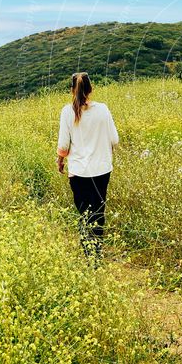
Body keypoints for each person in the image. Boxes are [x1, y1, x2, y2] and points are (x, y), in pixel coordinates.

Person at [56, 71, 119, 264]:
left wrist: (60, 161)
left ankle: (89, 254)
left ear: (71, 90)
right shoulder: (103, 109)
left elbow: (64, 146)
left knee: (84, 212)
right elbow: (115, 140)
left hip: (79, 172)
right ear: (91, 89)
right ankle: (97, 251)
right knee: (99, 210)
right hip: (102, 170)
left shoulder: (68, 111)